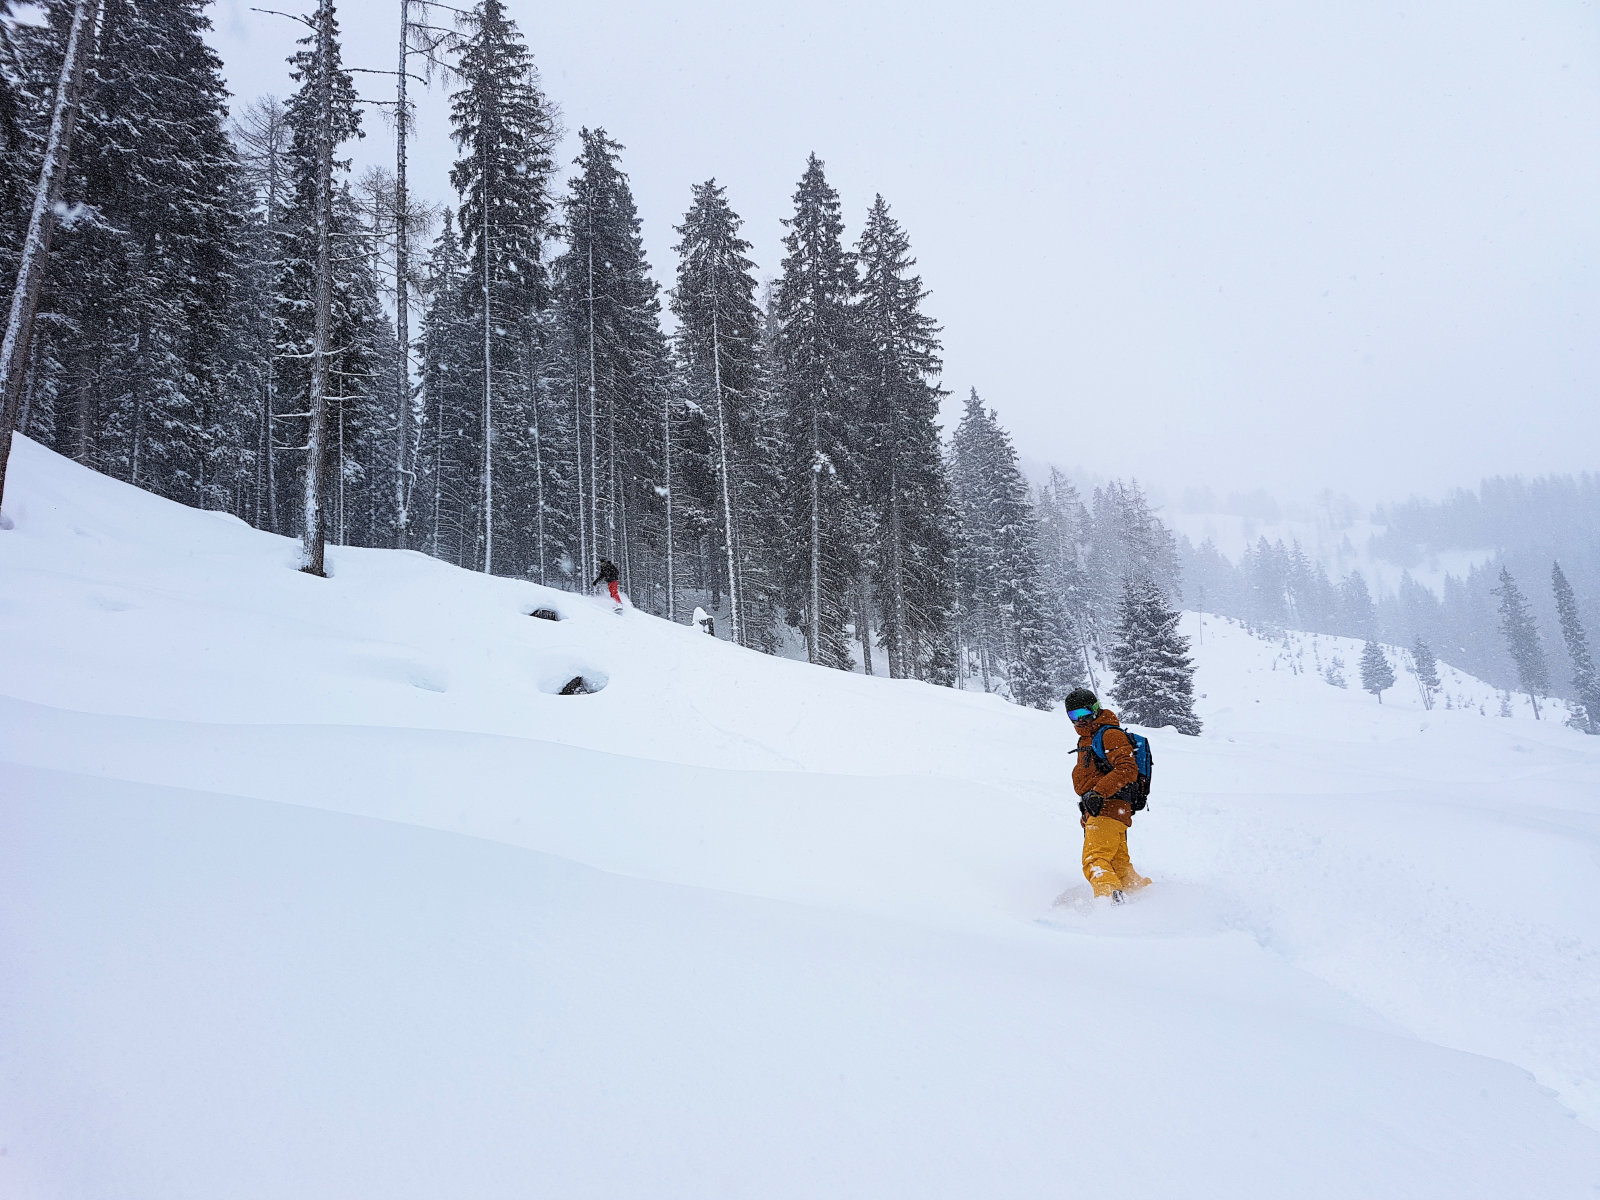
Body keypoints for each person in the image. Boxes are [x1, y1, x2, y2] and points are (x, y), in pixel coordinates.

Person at [1065, 687, 1151, 904]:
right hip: (1108, 811)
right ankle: (1150, 901)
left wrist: (1097, 794)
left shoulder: (1110, 734)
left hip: (1108, 807)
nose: (1080, 720)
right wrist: (1088, 806)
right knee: (1119, 867)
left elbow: (1126, 769)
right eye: (1074, 716)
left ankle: (1111, 908)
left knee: (1095, 860)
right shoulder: (1089, 738)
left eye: (1084, 713)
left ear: (1094, 709)